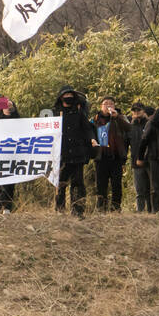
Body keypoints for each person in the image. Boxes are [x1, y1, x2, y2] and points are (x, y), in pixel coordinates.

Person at [53, 87, 98, 218]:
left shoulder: (78, 113)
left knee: (77, 183)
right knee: (60, 183)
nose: (68, 97)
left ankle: (78, 210)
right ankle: (59, 210)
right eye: (66, 94)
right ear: (61, 97)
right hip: (61, 154)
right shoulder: (55, 113)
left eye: (70, 95)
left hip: (77, 153)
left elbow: (87, 129)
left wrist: (92, 139)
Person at [91, 96, 131, 213]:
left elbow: (130, 129)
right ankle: (101, 209)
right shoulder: (95, 119)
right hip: (100, 157)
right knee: (101, 185)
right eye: (105, 103)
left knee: (116, 185)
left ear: (114, 106)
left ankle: (116, 209)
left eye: (111, 103)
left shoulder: (121, 118)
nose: (108, 105)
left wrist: (116, 117)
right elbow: (89, 133)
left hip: (116, 157)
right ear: (101, 106)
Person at [128, 102, 152, 212]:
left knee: (152, 189)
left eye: (139, 110)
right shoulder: (130, 125)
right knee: (140, 191)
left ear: (144, 111)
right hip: (135, 162)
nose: (136, 113)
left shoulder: (150, 124)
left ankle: (153, 212)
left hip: (150, 161)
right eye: (134, 110)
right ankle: (140, 213)